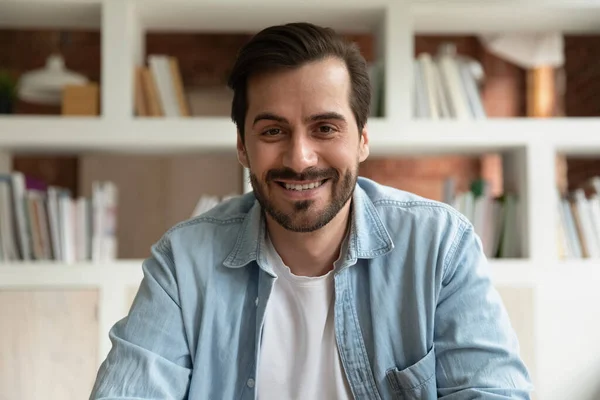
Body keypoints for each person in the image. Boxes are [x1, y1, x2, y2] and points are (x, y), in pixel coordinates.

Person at [90, 22, 533, 399]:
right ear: (243, 147)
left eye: (324, 128)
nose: (300, 158)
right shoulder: (184, 262)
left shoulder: (440, 247)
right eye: (272, 130)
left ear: (362, 138)